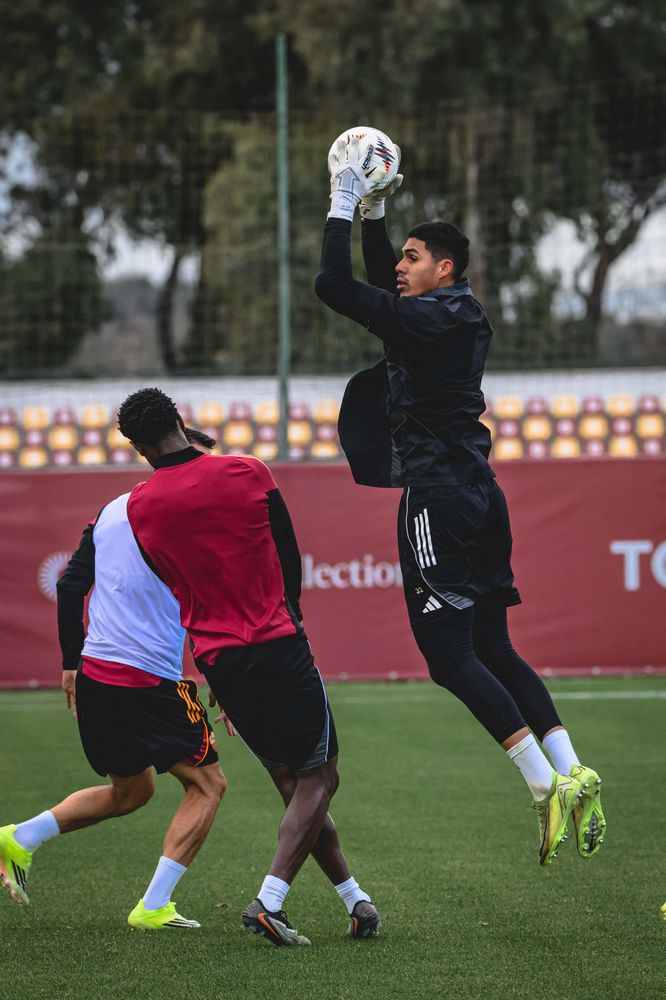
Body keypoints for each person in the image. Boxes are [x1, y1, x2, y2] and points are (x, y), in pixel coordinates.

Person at [313, 135, 606, 866]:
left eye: (414, 257)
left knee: (449, 658)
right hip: (479, 491)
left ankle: (545, 788)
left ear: (444, 269)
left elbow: (335, 286)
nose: (401, 268)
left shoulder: (432, 315)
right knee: (494, 647)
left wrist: (343, 206)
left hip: (439, 498)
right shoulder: (447, 313)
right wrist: (380, 221)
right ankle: (573, 770)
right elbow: (384, 288)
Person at [116, 387, 380, 946]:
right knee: (321, 776)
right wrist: (294, 618)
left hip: (218, 659)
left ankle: (357, 901)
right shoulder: (247, 471)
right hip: (277, 642)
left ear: (139, 448)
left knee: (294, 783)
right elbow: (289, 554)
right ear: (182, 423)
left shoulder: (140, 504)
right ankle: (270, 902)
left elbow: (169, 576)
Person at [0, 428, 227, 930]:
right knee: (208, 784)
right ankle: (153, 906)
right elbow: (205, 607)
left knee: (132, 792)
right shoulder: (185, 520)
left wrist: (70, 662)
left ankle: (18, 837)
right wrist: (224, 681)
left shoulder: (110, 512)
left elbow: (70, 586)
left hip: (97, 676)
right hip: (147, 682)